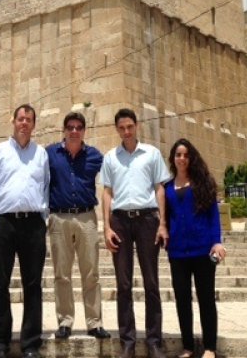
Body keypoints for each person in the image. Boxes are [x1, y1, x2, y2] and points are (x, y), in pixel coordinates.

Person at [0, 104, 50, 358]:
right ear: (13, 121)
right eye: (20, 119)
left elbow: (45, 189)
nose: (24, 123)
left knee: (33, 285)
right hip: (3, 224)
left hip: (33, 224)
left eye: (28, 120)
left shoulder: (41, 154)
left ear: (33, 124)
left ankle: (31, 344)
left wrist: (44, 222)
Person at [100, 108, 170, 358]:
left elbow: (159, 188)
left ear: (136, 126)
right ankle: (127, 342)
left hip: (147, 220)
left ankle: (154, 341)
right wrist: (106, 226)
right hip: (120, 222)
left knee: (151, 283)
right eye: (121, 128)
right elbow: (107, 192)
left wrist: (162, 223)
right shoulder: (110, 157)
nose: (126, 131)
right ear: (117, 129)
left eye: (130, 126)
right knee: (123, 284)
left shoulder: (151, 154)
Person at [46, 112, 110, 340]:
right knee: (61, 274)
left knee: (91, 273)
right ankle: (65, 322)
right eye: (70, 127)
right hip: (59, 218)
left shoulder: (94, 156)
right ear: (64, 130)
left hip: (86, 218)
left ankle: (95, 323)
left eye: (79, 127)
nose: (74, 131)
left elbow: (110, 183)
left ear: (84, 130)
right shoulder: (50, 154)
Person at [164, 138, 226, 358]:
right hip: (178, 252)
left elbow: (213, 216)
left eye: (185, 155)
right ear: (173, 158)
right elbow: (164, 218)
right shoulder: (167, 188)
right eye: (178, 155)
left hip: (202, 250)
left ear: (191, 158)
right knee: (182, 300)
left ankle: (210, 347)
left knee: (206, 299)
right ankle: (188, 347)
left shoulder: (202, 184)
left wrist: (217, 241)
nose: (182, 159)